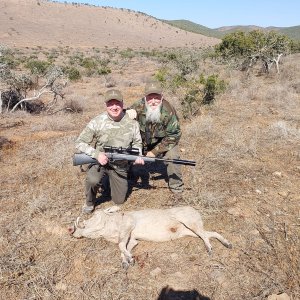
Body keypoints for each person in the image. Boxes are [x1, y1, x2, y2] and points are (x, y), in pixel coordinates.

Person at [75, 89, 144, 213]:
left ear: (122, 104)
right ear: (106, 105)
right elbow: (79, 142)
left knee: (119, 201)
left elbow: (137, 142)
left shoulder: (132, 123)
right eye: (110, 104)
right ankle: (89, 202)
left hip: (120, 164)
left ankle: (108, 181)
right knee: (93, 180)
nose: (114, 107)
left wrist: (138, 155)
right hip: (100, 161)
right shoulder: (97, 121)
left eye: (117, 103)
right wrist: (97, 154)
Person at [127, 81, 184, 200]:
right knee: (123, 152)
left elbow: (173, 135)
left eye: (157, 98)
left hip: (162, 143)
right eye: (149, 98)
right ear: (144, 97)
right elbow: (115, 114)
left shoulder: (169, 110)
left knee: (173, 156)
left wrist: (154, 152)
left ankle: (176, 187)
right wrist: (125, 114)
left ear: (162, 97)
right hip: (141, 143)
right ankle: (126, 177)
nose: (153, 101)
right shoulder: (137, 106)